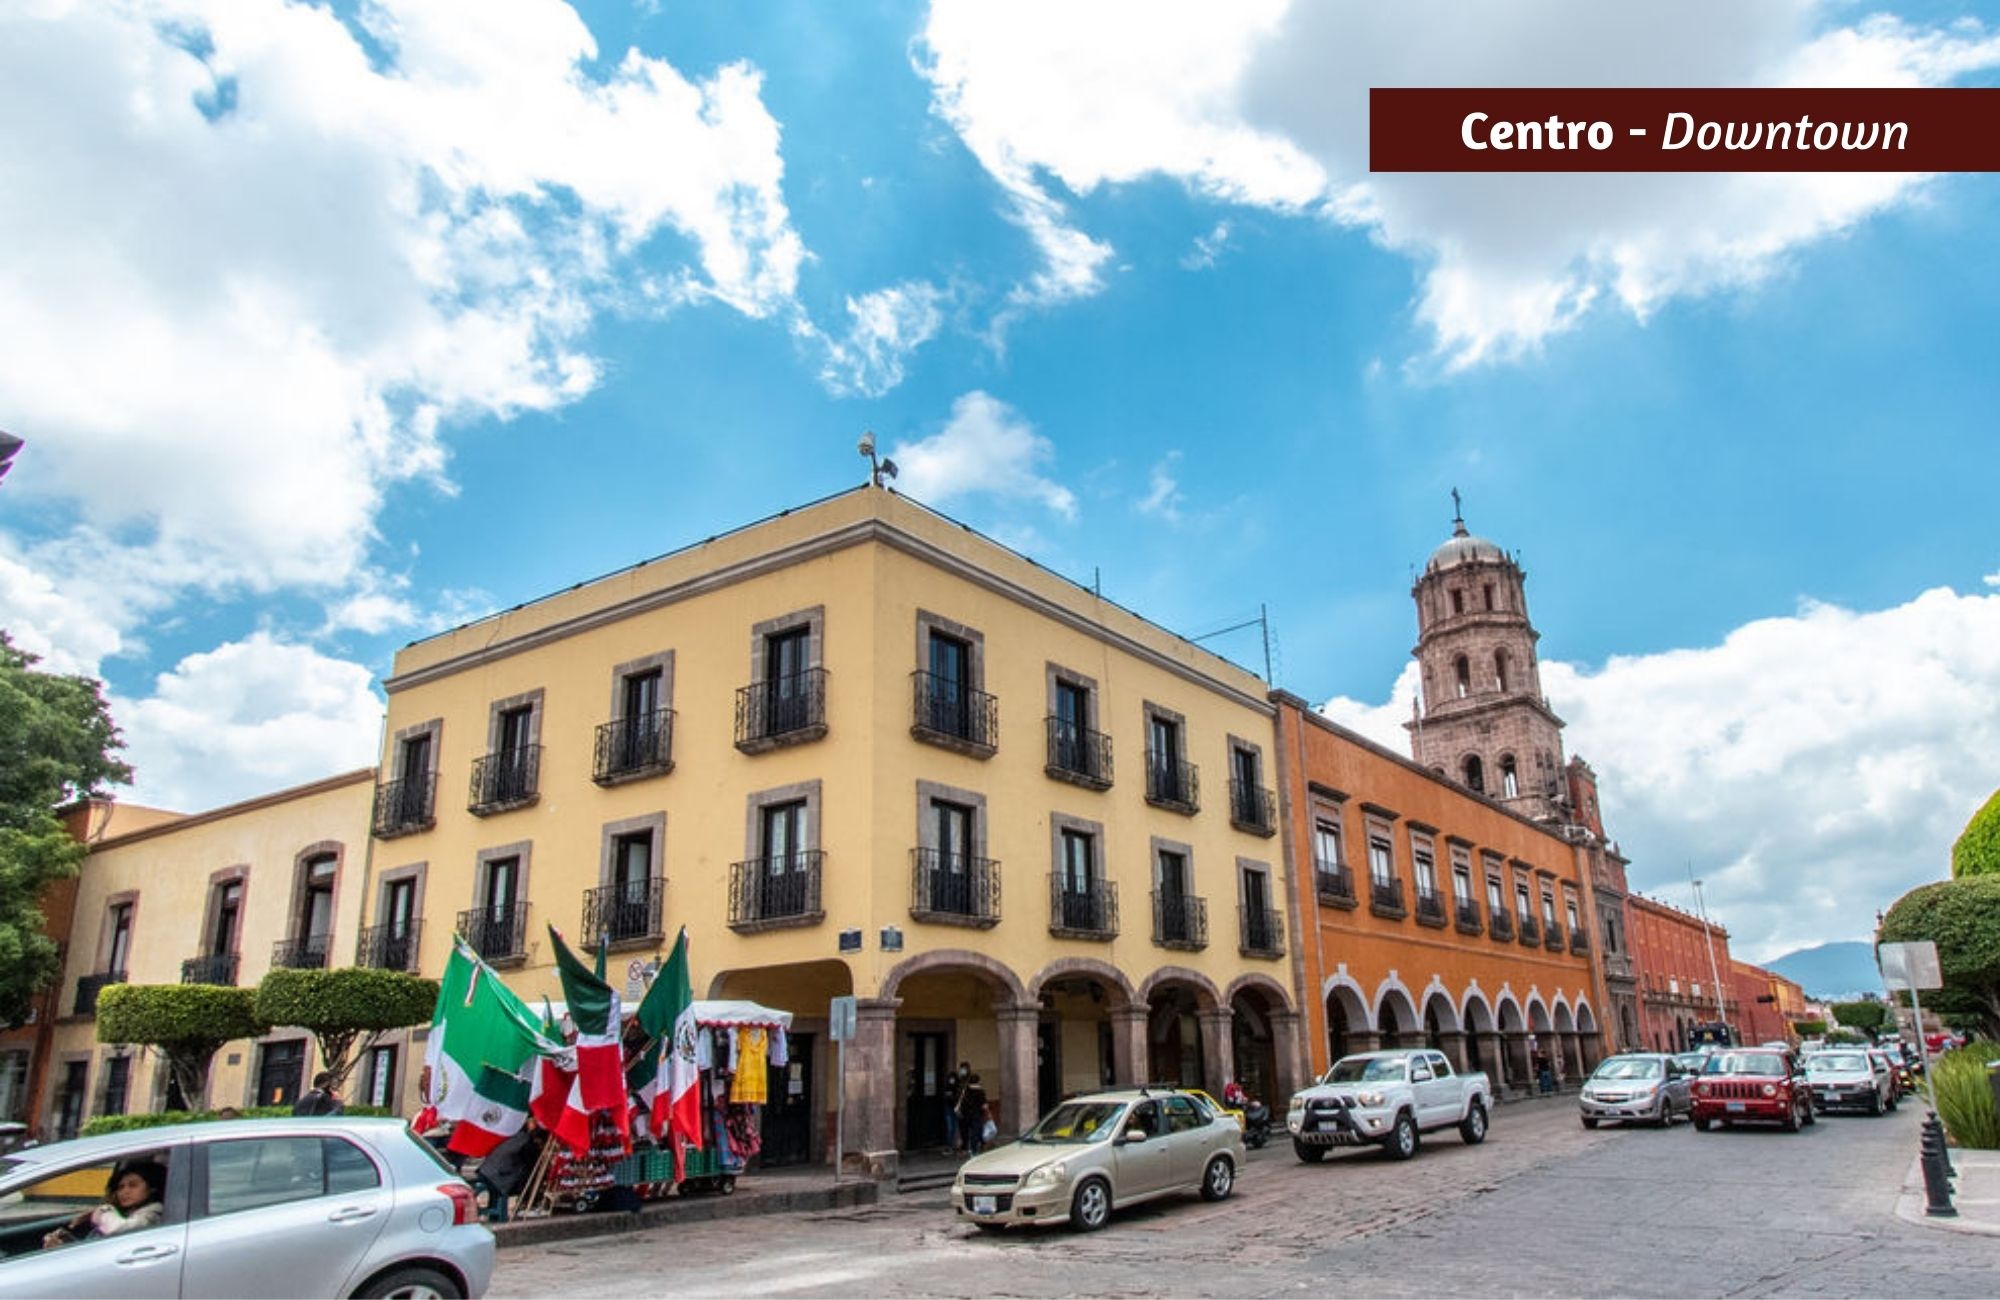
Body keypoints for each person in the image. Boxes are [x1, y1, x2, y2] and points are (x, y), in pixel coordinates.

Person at [43, 1160, 166, 1249]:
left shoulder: (153, 1213)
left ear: (152, 1188)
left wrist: (104, 1209)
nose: (124, 1191)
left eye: (133, 1185)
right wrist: (65, 1245)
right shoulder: (128, 1213)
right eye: (121, 1187)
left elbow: (118, 1230)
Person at [472, 1119, 547, 1223]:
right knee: (525, 1178)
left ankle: (495, 1216)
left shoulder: (516, 1136)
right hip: (497, 1175)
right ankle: (524, 1205)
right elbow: (532, 1164)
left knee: (498, 1192)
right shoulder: (526, 1141)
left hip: (486, 1171)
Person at [956, 1072, 990, 1157]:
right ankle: (974, 1149)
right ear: (978, 1081)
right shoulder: (980, 1091)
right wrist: (988, 1114)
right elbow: (984, 1106)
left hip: (965, 1115)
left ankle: (965, 1148)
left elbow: (960, 1102)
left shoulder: (965, 1091)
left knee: (965, 1132)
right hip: (976, 1115)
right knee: (976, 1132)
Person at [944, 1062, 970, 1153]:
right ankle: (951, 1146)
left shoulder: (964, 1080)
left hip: (958, 1107)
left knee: (957, 1127)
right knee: (952, 1128)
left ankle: (957, 1145)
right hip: (952, 1107)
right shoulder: (954, 1079)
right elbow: (949, 1094)